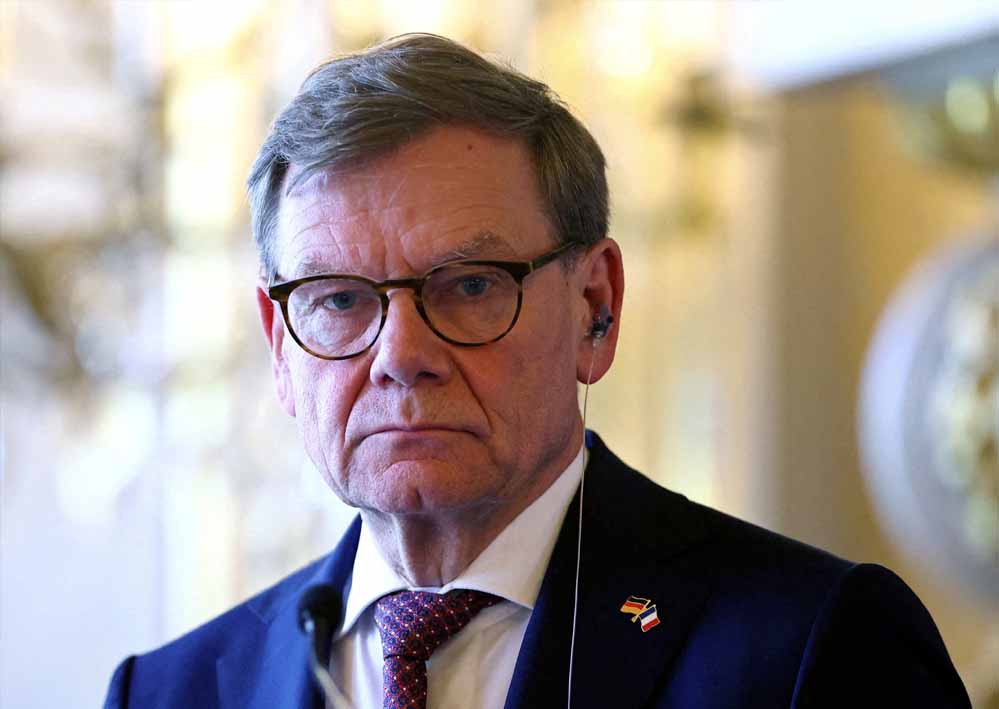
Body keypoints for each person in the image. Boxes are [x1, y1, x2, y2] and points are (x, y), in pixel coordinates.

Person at [104, 33, 970, 709]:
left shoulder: (814, 646)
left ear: (595, 306)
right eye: (338, 299)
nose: (401, 356)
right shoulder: (170, 691)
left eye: (470, 285)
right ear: (280, 346)